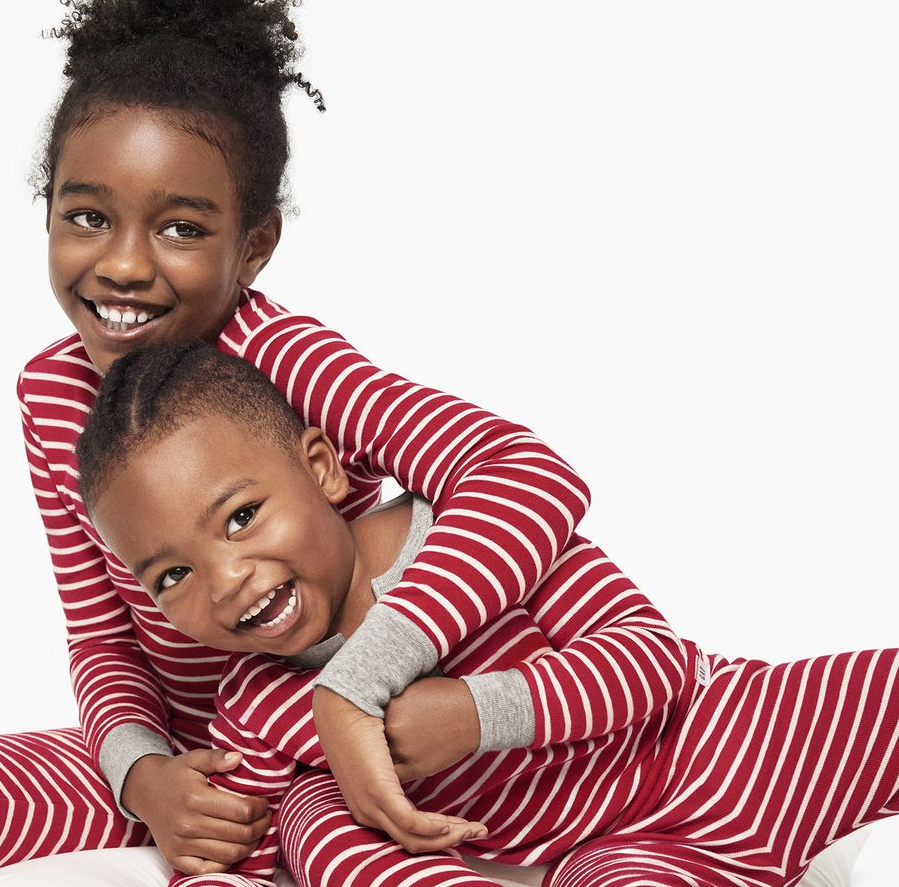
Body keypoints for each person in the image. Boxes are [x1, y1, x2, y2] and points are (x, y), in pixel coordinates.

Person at [0, 0, 588, 880]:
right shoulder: (51, 397)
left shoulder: (285, 361)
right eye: (87, 215)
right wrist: (148, 782)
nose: (124, 264)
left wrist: (359, 686)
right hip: (197, 764)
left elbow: (522, 475)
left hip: (338, 741)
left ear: (254, 245)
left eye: (182, 227)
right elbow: (102, 639)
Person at [78, 340, 899, 887]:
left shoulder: (468, 540)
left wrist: (474, 714)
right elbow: (235, 857)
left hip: (714, 743)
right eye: (173, 574)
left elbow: (654, 662)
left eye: (241, 517)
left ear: (322, 468)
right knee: (310, 819)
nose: (225, 581)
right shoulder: (257, 704)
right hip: (605, 855)